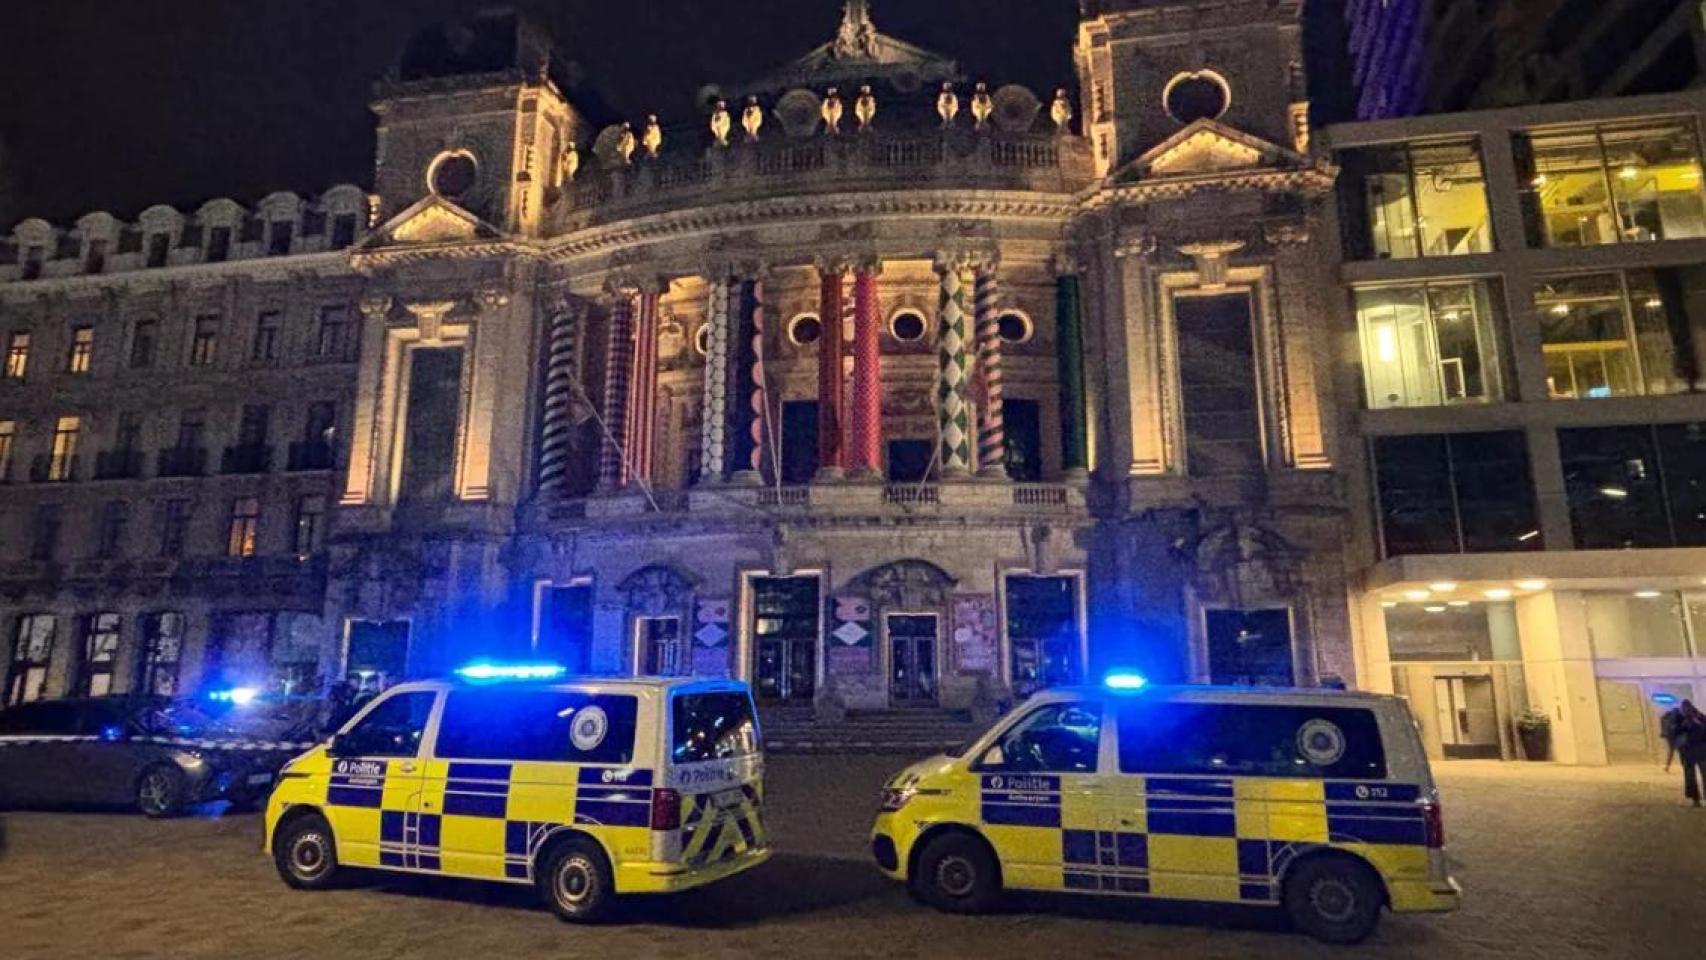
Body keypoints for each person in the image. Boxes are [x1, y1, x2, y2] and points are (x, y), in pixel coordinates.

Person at [1676, 700, 1706, 808]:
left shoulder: (1699, 717)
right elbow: (1676, 734)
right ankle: (1695, 799)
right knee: (1690, 777)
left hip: (1700, 751)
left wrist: (1697, 722)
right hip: (1689, 751)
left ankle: (1696, 800)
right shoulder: (1679, 719)